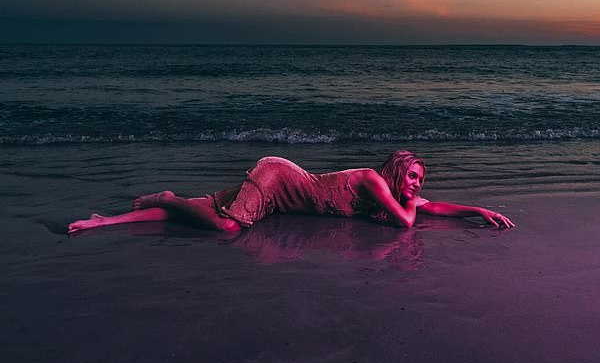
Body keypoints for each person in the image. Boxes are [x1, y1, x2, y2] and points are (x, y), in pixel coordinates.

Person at [68, 151, 514, 233]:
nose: (418, 185)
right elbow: (408, 222)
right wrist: (412, 206)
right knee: (227, 227)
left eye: (420, 178)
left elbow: (431, 206)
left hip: (281, 200)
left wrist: (477, 210)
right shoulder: (376, 183)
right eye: (414, 176)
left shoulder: (397, 195)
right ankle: (166, 197)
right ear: (397, 172)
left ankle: (107, 220)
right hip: (279, 177)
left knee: (205, 211)